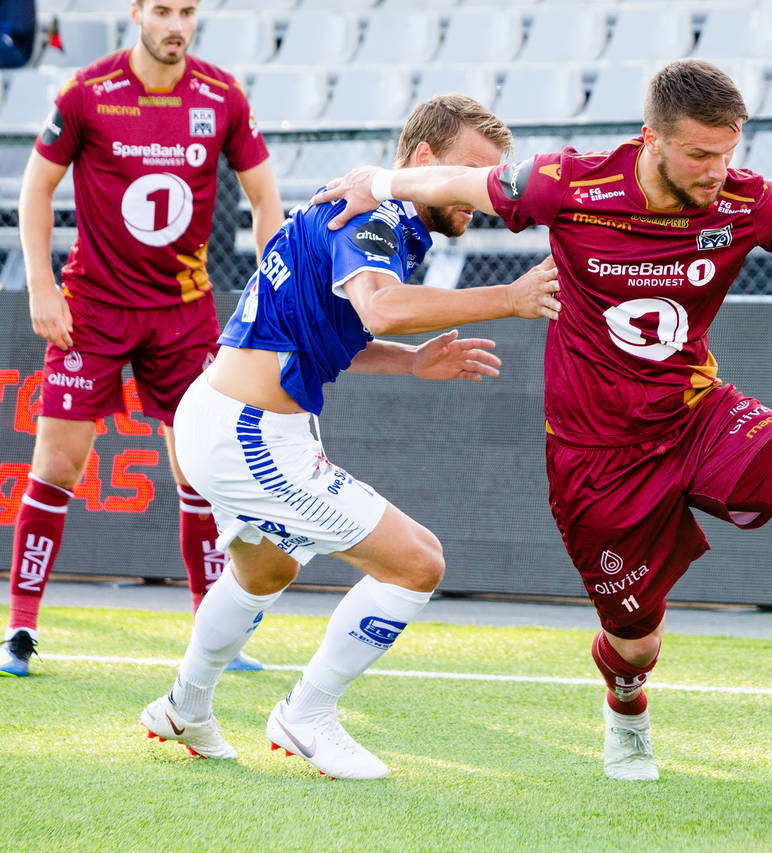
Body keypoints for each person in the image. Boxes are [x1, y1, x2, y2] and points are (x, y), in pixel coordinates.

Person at [314, 58, 772, 782]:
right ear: (652, 138)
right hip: (596, 459)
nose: (716, 169)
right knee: (635, 641)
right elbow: (458, 184)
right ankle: (627, 710)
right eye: (701, 153)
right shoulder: (570, 184)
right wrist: (380, 182)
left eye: (728, 150)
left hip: (697, 415)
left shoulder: (749, 202)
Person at [139, 94, 562, 780]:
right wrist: (509, 297)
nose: (479, 195)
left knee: (265, 569)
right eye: (470, 174)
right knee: (419, 561)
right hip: (251, 430)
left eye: (491, 180)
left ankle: (186, 703)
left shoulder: (377, 215)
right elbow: (382, 306)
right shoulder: (374, 211)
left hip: (223, 411)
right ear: (421, 160)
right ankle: (306, 713)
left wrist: (411, 361)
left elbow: (333, 328)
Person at [2, 0, 283, 678]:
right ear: (136, 12)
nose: (175, 23)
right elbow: (36, 189)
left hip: (183, 315)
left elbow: (266, 199)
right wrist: (42, 287)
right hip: (91, 310)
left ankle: (214, 630)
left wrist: (273, 295)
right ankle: (20, 627)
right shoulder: (88, 93)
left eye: (186, 10)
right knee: (58, 464)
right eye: (162, 9)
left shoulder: (222, 96)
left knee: (199, 470)